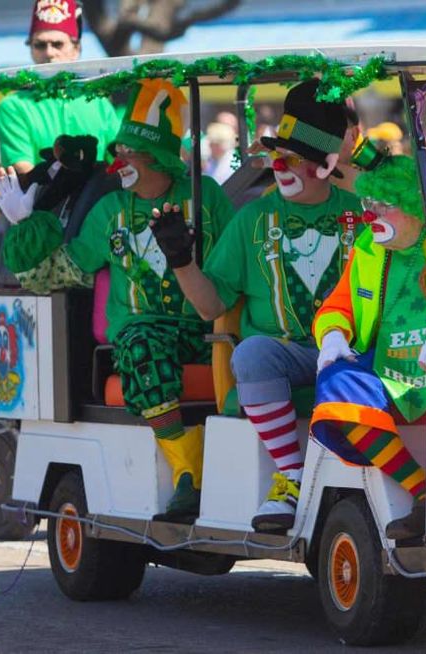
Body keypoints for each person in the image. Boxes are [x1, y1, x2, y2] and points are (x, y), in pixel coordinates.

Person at [0, 79, 235, 520]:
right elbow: (60, 270)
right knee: (143, 343)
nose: (118, 160)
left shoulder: (206, 198)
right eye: (117, 150)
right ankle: (189, 469)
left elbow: (236, 264)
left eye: (128, 152)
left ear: (159, 156)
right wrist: (26, 223)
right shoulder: (110, 210)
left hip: (206, 330)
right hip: (138, 337)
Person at [151, 80, 364, 532]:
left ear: (326, 165)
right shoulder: (253, 219)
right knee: (250, 352)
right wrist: (181, 261)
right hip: (285, 357)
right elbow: (211, 307)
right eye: (274, 156)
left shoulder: (363, 214)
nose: (278, 166)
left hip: (349, 352)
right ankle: (289, 477)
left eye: (291, 159)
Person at [311, 151, 426, 540]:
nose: (371, 215)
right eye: (369, 204)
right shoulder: (368, 246)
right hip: (382, 365)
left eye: (386, 206)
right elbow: (338, 305)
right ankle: (423, 491)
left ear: (416, 209)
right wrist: (332, 334)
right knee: (336, 384)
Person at [0, 0, 120, 174]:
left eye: (57, 44)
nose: (49, 53)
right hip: (41, 200)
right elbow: (23, 171)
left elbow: (120, 159)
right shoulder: (13, 106)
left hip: (98, 199)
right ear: (31, 49)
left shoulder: (98, 102)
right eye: (40, 45)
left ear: (76, 49)